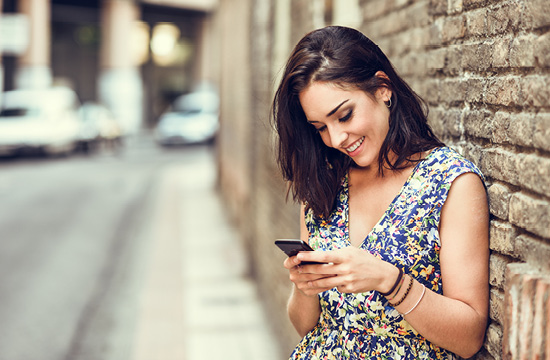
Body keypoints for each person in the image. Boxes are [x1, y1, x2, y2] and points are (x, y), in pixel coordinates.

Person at [271, 26, 489, 359]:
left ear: (383, 89)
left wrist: (389, 280)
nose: (336, 139)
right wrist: (305, 288)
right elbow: (307, 328)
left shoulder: (450, 183)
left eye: (344, 116)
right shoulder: (325, 185)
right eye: (320, 129)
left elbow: (468, 336)